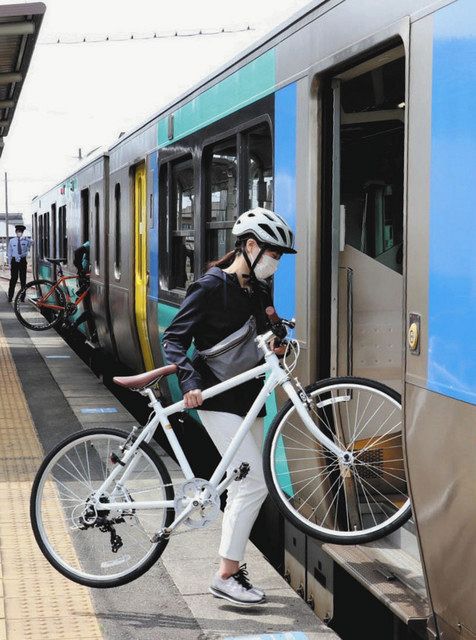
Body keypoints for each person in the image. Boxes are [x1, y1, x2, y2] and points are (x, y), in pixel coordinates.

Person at [162, 207, 296, 606]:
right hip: (216, 396)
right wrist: (188, 382)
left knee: (246, 484)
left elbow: (263, 331)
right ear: (251, 246)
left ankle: (232, 568)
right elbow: (173, 339)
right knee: (253, 483)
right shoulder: (209, 287)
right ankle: (225, 574)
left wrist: (279, 341)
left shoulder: (257, 288)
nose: (275, 263)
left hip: (250, 396)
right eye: (273, 254)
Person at [7, 224, 33, 302]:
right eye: (18, 231)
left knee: (23, 280)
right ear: (16, 232)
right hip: (14, 261)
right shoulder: (12, 241)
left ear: (22, 232)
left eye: (21, 232)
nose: (19, 233)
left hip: (22, 261)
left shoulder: (25, 240)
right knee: (13, 280)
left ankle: (22, 298)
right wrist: (9, 264)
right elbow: (9, 252)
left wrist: (26, 238)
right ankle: (10, 297)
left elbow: (33, 242)